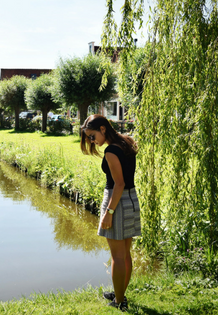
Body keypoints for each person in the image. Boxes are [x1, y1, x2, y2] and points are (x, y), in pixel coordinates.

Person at [80, 114, 141, 312]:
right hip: (131, 200)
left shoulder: (110, 152)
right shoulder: (126, 142)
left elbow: (119, 184)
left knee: (117, 257)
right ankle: (120, 293)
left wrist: (109, 211)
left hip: (118, 201)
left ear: (103, 129)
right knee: (125, 254)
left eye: (92, 135)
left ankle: (119, 301)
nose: (91, 140)